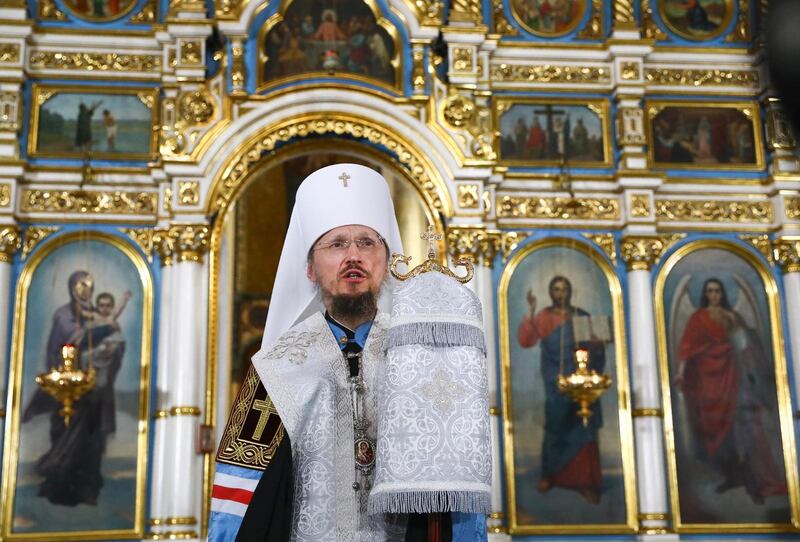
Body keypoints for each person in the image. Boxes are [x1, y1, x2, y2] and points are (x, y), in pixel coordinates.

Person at [208, 164, 486, 541]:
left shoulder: (419, 352)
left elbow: (457, 481)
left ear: (388, 262)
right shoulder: (275, 370)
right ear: (309, 268)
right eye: (336, 244)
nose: (353, 256)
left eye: (367, 242)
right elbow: (242, 496)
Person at [675, 278, 788, 504]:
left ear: (722, 293)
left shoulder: (733, 317)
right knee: (712, 424)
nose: (713, 295)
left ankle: (750, 478)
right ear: (705, 294)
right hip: (706, 378)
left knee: (741, 426)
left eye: (717, 291)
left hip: (732, 374)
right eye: (709, 291)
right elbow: (687, 347)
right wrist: (680, 372)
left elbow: (745, 345)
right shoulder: (698, 317)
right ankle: (729, 474)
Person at [22, 271, 123, 506]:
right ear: (71, 287)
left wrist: (112, 350)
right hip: (66, 390)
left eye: (89, 285)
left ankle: (88, 488)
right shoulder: (64, 314)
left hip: (94, 392)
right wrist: (105, 330)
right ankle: (56, 484)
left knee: (92, 441)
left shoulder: (95, 316)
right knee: (65, 435)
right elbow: (72, 338)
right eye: (80, 285)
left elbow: (116, 348)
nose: (85, 290)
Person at [517, 276, 606, 504]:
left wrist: (598, 344)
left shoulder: (581, 316)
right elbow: (526, 341)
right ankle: (551, 475)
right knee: (555, 427)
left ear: (570, 291)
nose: (560, 293)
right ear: (550, 292)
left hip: (582, 381)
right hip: (556, 383)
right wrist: (531, 310)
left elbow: (597, 348)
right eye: (556, 289)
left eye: (564, 288)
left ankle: (586, 482)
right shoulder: (544, 317)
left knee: (584, 428)